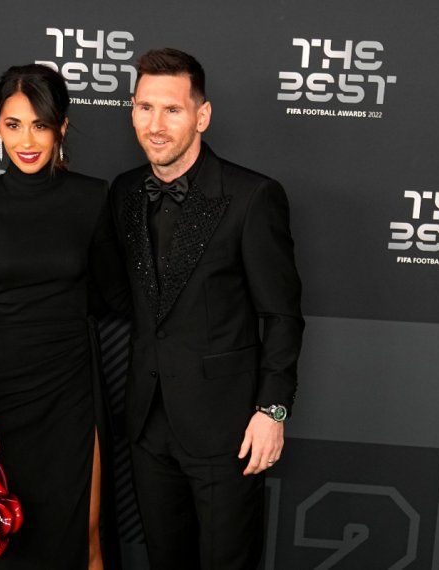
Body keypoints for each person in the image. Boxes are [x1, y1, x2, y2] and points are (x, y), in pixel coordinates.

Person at [107, 48, 305, 569]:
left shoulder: (252, 196)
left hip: (227, 429)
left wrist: (272, 411)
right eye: (145, 107)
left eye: (172, 109)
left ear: (202, 115)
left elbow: (281, 315)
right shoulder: (125, 192)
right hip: (147, 423)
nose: (156, 125)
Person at [0, 64, 128, 570]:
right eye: (14, 125)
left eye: (40, 125)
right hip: (3, 398)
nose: (26, 141)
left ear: (62, 128)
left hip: (72, 391)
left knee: (84, 533)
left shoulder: (91, 197)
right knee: (3, 542)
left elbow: (115, 295)